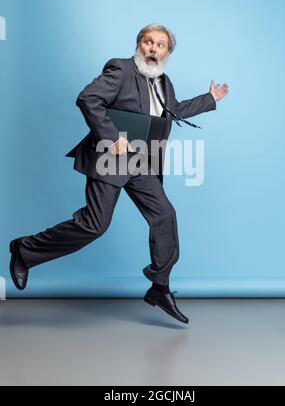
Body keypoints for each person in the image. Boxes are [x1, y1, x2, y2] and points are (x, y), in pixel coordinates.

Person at [9, 23, 229, 324]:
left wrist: (210, 99)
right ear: (139, 45)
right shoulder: (121, 69)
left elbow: (174, 109)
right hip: (111, 157)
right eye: (148, 42)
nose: (153, 49)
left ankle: (159, 286)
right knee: (94, 225)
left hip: (142, 160)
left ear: (167, 52)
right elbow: (88, 98)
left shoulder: (164, 81)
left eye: (160, 45)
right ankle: (24, 250)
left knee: (164, 215)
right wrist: (111, 137)